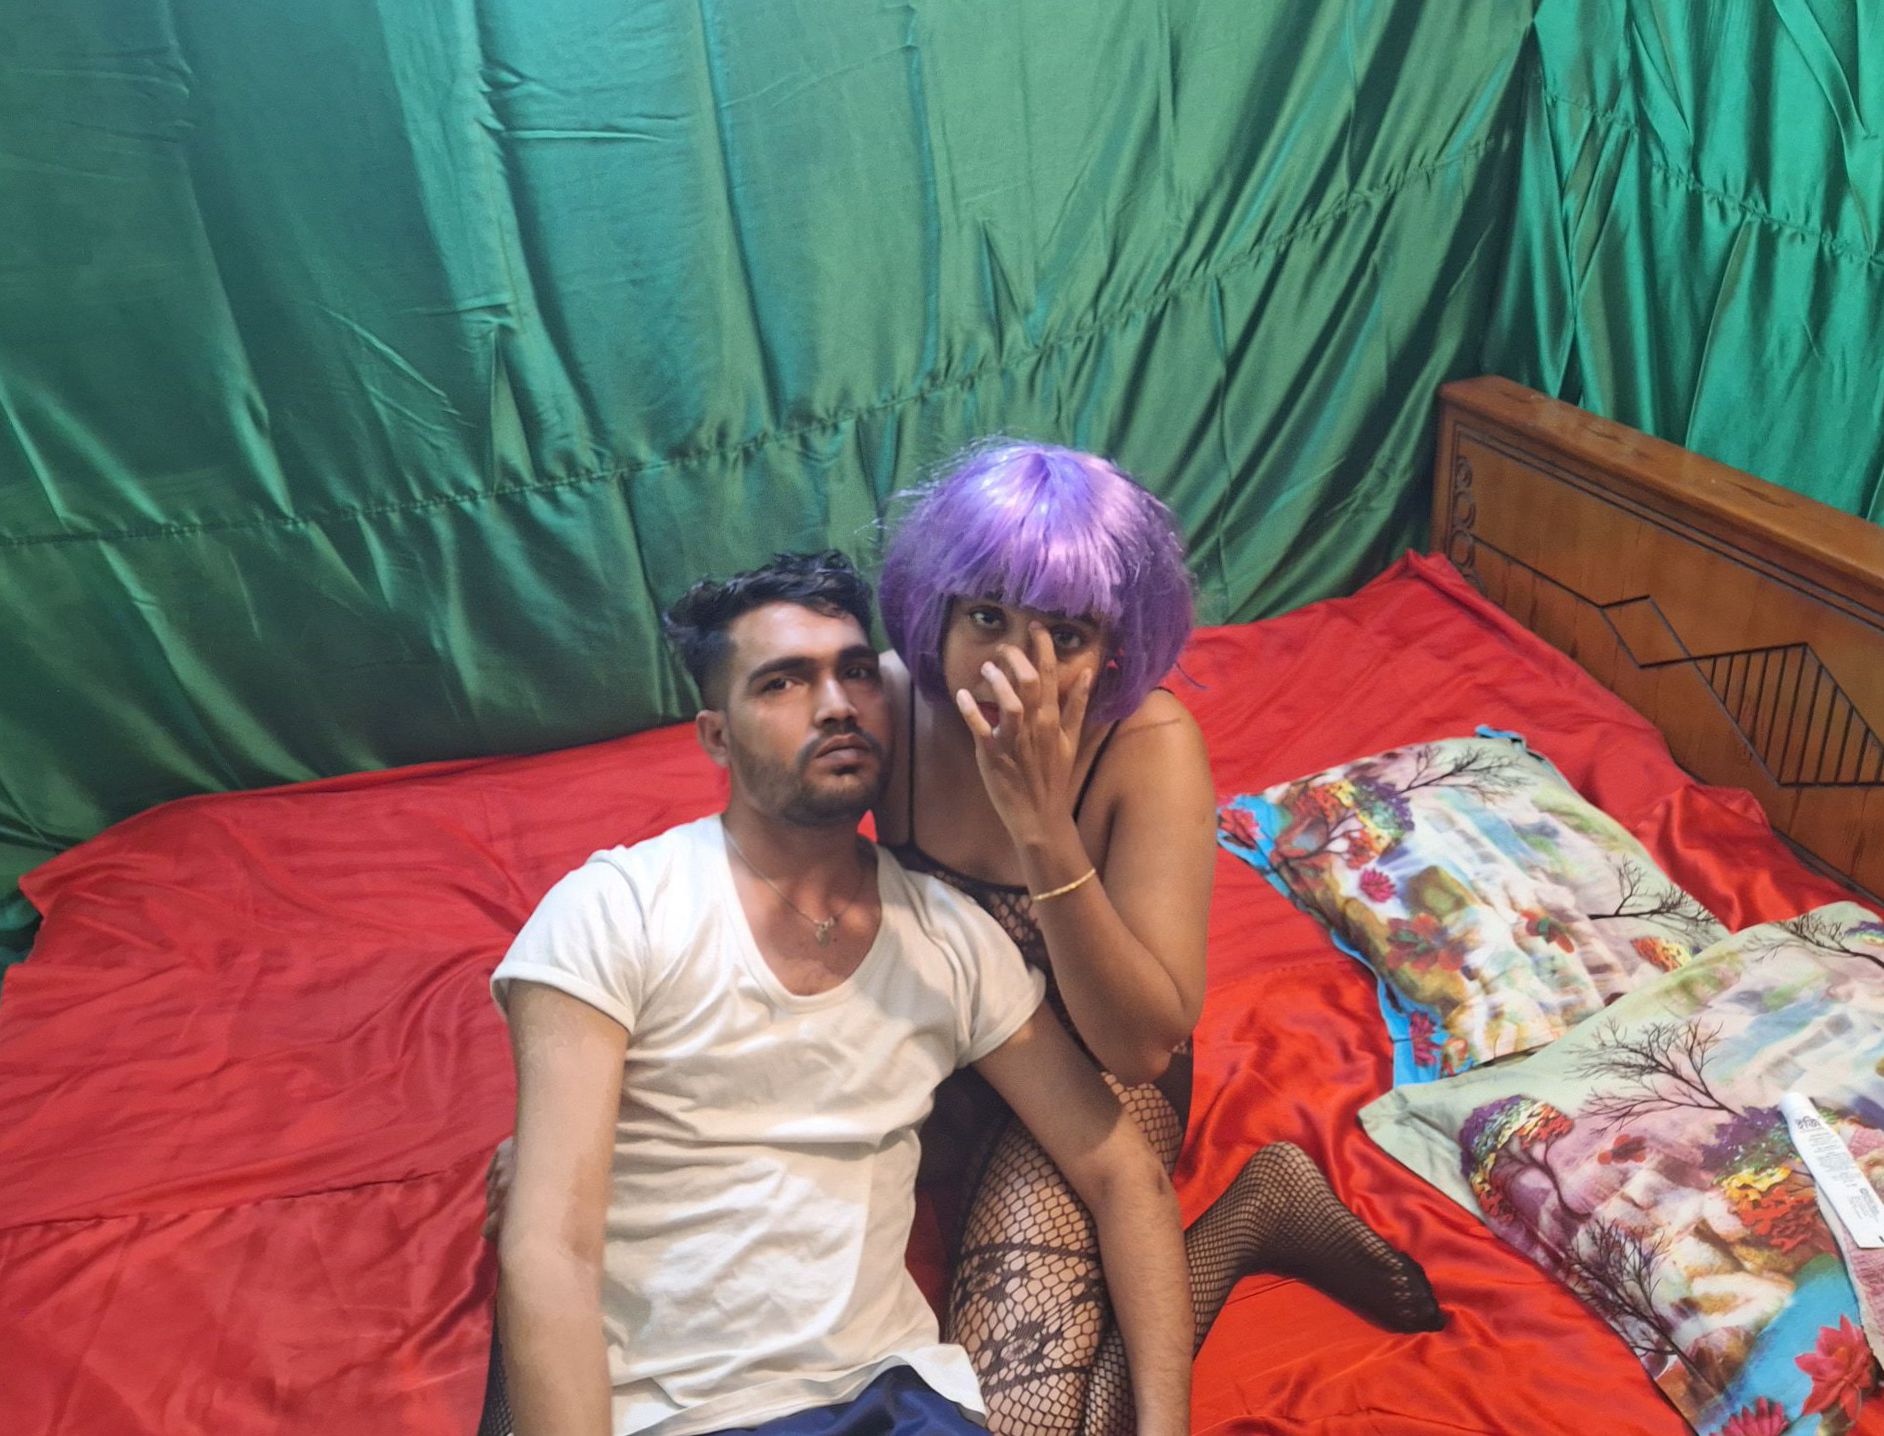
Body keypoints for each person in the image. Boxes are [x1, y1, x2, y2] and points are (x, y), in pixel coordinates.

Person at [490, 552, 1192, 1436]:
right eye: (783, 682)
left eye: (857, 672)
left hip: (894, 1402)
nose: (836, 704)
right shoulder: (614, 908)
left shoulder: (949, 936)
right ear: (716, 736)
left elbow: (1123, 1172)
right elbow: (548, 1249)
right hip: (679, 1413)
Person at [872, 442, 1443, 1433]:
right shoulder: (892, 707)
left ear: (1115, 648)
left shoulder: (1149, 747)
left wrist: (1042, 827)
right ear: (938, 611)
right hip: (951, 1063)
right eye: (987, 617)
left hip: (1097, 1067)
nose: (1017, 666)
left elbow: (1141, 1043)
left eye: (1063, 633)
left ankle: (1261, 1205)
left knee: (1024, 1422)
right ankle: (1248, 1219)